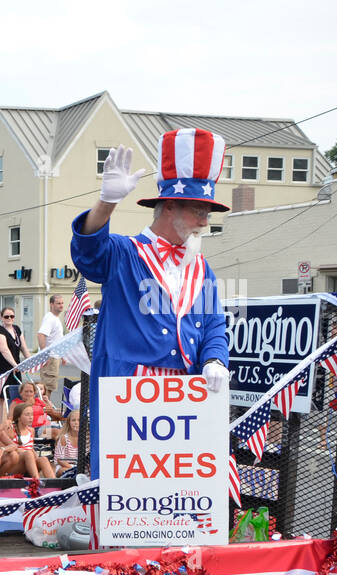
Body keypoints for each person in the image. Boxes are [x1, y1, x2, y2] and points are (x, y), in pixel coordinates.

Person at [70, 129, 231, 477]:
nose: (205, 222)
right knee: (124, 486)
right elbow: (88, 253)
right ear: (169, 206)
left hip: (184, 394)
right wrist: (107, 202)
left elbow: (214, 323)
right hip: (130, 392)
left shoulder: (201, 267)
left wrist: (215, 358)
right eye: (198, 211)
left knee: (176, 483)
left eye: (207, 213)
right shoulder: (126, 253)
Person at [11, 401, 54, 480]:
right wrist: (28, 453)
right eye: (27, 414)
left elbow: (31, 448)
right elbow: (11, 450)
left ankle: (55, 484)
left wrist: (36, 457)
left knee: (43, 459)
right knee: (28, 453)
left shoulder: (31, 430)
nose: (31, 417)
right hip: (16, 465)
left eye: (32, 414)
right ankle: (37, 481)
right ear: (19, 417)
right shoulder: (11, 430)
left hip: (29, 463)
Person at [38, 294, 66, 409]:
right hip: (50, 358)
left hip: (55, 356)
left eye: (62, 303)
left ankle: (45, 413)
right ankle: (44, 414)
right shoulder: (50, 318)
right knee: (46, 389)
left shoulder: (55, 318)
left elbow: (56, 339)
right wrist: (45, 355)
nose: (61, 305)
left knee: (50, 388)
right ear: (51, 304)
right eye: (58, 303)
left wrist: (62, 356)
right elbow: (41, 335)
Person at [0, 306, 28, 392]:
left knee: (15, 394)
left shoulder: (17, 329)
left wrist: (29, 360)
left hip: (15, 367)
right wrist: (15, 365)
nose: (9, 318)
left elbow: (23, 347)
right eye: (6, 316)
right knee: (2, 396)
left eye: (12, 316)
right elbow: (5, 351)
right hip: (2, 368)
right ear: (1, 317)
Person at [54, 410, 80, 477]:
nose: (76, 423)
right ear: (69, 423)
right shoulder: (64, 438)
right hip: (64, 465)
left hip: (79, 466)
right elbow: (60, 460)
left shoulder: (85, 439)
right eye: (73, 420)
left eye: (79, 420)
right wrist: (73, 468)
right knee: (64, 470)